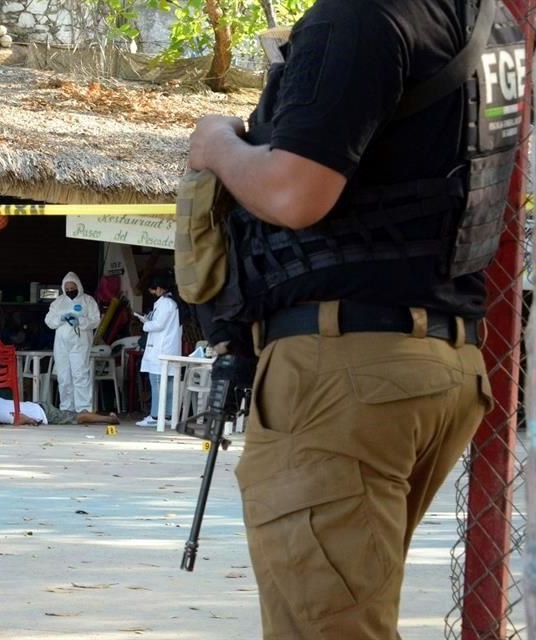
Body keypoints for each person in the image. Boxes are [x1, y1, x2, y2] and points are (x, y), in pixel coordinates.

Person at [187, 1, 522, 637]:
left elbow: (295, 191)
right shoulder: (488, 19)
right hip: (436, 364)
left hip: (344, 373)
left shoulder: (360, 16)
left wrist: (219, 147)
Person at [44, 272, 101, 412]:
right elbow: (49, 321)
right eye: (67, 288)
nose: (70, 291)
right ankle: (66, 408)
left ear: (78, 286)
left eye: (72, 287)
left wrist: (80, 321)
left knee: (80, 375)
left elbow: (95, 321)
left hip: (80, 343)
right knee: (64, 377)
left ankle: (83, 409)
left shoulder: (88, 301)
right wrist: (61, 319)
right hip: (61, 344)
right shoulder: (58, 302)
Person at [135, 273, 183, 427]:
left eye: (153, 290)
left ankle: (155, 416)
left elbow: (158, 325)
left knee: (157, 383)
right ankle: (167, 415)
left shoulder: (165, 304)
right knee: (167, 385)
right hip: (167, 348)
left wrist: (145, 323)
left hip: (161, 349)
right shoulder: (173, 303)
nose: (152, 293)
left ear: (160, 289)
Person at [0, 395, 118, 426]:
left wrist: (31, 421)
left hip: (43, 413)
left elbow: (20, 417)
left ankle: (109, 419)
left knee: (78, 418)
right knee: (73, 415)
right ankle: (88, 413)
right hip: (37, 405)